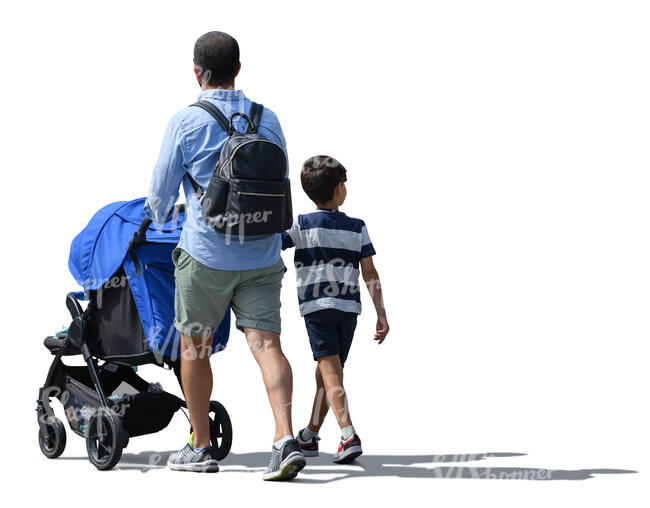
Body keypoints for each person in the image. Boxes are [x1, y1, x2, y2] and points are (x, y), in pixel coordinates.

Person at [145, 31, 305, 480]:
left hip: (206, 257)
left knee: (193, 348)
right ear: (239, 69)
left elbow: (158, 196)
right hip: (263, 254)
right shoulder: (267, 117)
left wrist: (159, 216)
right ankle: (283, 437)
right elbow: (282, 181)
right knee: (268, 346)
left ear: (197, 72)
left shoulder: (185, 122)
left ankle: (200, 446)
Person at [281, 155, 389, 464]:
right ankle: (319, 434)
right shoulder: (357, 228)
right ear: (340, 188)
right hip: (348, 309)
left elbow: (271, 245)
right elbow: (370, 274)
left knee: (330, 373)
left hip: (316, 308)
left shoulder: (300, 224)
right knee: (331, 372)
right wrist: (381, 313)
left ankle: (342, 434)